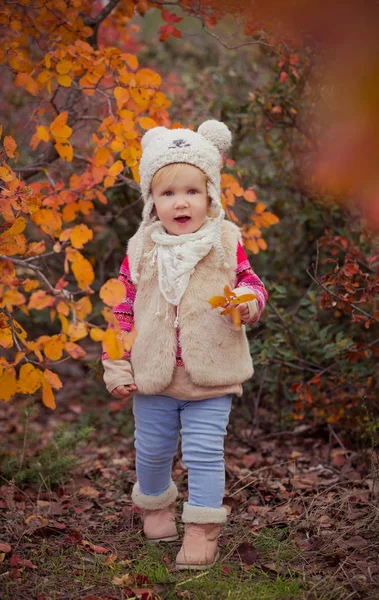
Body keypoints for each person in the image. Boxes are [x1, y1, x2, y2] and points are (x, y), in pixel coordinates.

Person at [102, 120, 268, 570]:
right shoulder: (140, 248)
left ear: (210, 193)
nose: (181, 202)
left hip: (210, 376)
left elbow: (252, 284)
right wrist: (116, 365)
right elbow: (121, 309)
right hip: (153, 377)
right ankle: (155, 507)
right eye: (168, 193)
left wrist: (247, 302)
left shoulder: (225, 241)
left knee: (203, 452)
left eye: (192, 191)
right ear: (152, 201)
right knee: (152, 450)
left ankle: (202, 528)